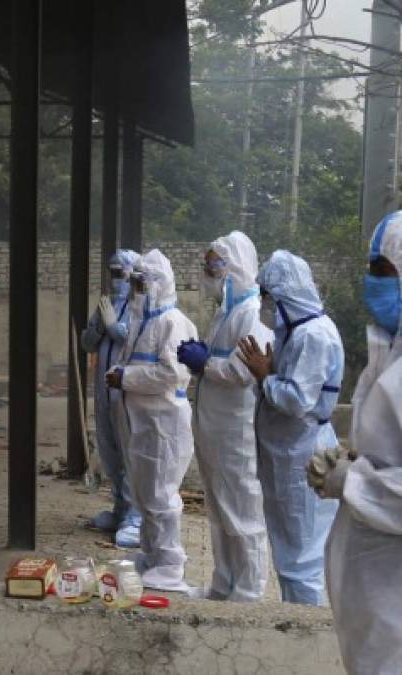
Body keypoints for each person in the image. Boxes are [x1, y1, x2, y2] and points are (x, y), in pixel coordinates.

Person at [307, 212, 402, 674]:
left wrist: (352, 482)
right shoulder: (390, 347)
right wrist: (353, 460)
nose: (373, 283)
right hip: (375, 585)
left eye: (384, 271)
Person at [237, 250, 342, 605]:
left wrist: (265, 375)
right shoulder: (297, 333)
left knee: (302, 555)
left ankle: (305, 629)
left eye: (266, 296)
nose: (263, 304)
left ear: (282, 296)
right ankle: (296, 617)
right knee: (292, 549)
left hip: (303, 452)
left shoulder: (313, 336)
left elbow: (297, 400)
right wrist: (268, 374)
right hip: (290, 451)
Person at [179, 232, 271, 602]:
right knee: (219, 510)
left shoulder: (252, 313)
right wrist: (204, 355)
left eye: (216, 264)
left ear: (236, 267)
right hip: (215, 428)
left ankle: (248, 591)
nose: (209, 271)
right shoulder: (226, 311)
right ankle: (223, 583)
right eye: (208, 265)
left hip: (237, 432)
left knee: (243, 512)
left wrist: (206, 364)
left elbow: (243, 372)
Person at [105, 249, 197, 591]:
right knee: (145, 496)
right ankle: (152, 554)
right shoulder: (143, 320)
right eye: (135, 282)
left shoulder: (171, 322)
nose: (135, 289)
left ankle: (170, 564)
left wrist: (124, 377)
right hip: (143, 423)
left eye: (141, 283)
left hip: (164, 425)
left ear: (159, 283)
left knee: (160, 496)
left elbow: (171, 374)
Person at [81, 249, 143, 548]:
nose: (116, 279)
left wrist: (114, 327)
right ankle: (119, 509)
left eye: (120, 273)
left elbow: (134, 340)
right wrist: (95, 327)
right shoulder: (106, 304)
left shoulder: (140, 304)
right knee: (109, 450)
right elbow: (88, 344)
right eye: (112, 273)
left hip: (125, 390)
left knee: (129, 452)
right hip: (104, 390)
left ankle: (135, 516)